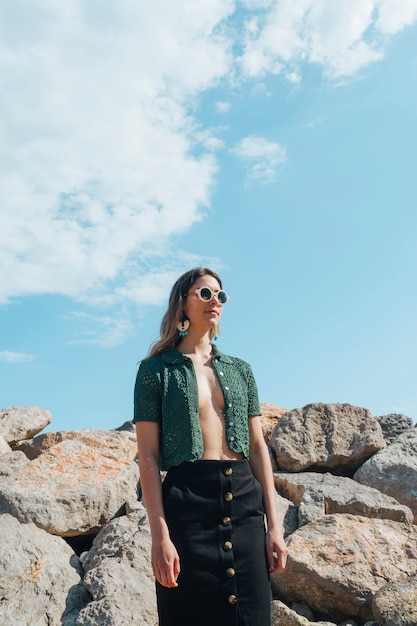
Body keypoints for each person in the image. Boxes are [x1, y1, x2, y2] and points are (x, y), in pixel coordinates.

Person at [133, 267, 287, 626]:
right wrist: (160, 537)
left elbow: (257, 447)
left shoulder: (240, 369)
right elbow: (149, 456)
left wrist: (274, 527)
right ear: (182, 303)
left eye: (220, 295)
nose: (215, 301)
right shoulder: (155, 371)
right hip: (188, 508)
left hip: (246, 506)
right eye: (205, 293)